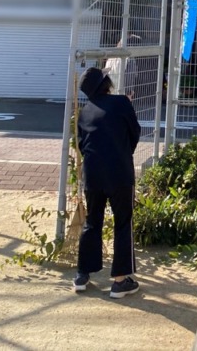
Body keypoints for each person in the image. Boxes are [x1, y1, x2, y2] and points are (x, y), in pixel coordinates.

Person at [74, 65, 141, 298]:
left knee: (93, 221)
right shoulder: (121, 102)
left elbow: (81, 144)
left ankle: (82, 274)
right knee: (123, 222)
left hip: (92, 173)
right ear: (107, 83)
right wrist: (122, 151)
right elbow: (134, 132)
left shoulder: (85, 111)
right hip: (119, 171)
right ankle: (120, 282)